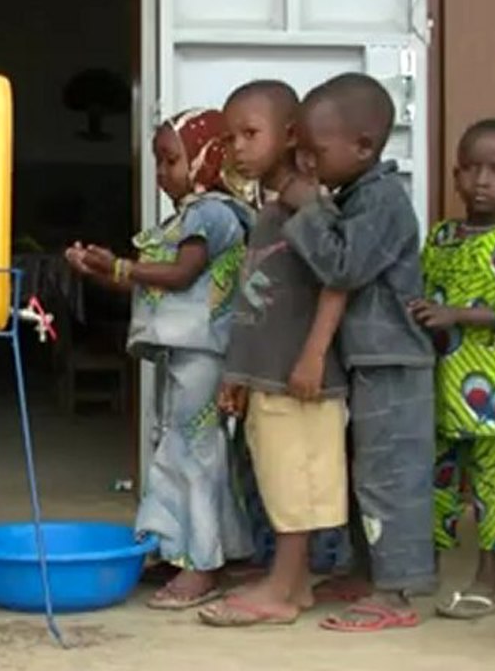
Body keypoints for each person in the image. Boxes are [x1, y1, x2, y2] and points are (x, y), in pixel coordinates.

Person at [65, 108, 254, 609]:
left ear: (206, 159)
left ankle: (201, 563)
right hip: (184, 354)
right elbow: (150, 278)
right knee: (179, 447)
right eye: (159, 162)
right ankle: (183, 548)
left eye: (171, 161)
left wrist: (121, 265)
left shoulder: (212, 213)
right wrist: (99, 270)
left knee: (192, 454)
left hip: (204, 355)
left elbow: (181, 275)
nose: (162, 173)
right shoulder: (187, 216)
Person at [281, 72, 436, 632]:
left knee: (392, 477)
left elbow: (343, 266)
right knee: (365, 473)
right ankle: (369, 573)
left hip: (394, 362)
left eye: (316, 152)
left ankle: (396, 593)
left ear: (364, 147)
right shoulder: (358, 194)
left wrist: (307, 208)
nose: (308, 164)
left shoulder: (383, 201)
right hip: (370, 361)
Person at [197, 82, 349, 627]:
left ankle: (282, 589)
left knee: (298, 483)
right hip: (267, 374)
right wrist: (238, 372)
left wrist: (313, 356)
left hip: (299, 376)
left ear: (289, 135)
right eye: (229, 136)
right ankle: (295, 583)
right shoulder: (268, 211)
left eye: (249, 133)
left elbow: (338, 277)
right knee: (280, 480)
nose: (236, 147)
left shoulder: (306, 204)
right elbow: (256, 300)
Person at [414, 119, 495, 620]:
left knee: (494, 485)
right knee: (437, 481)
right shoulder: (443, 237)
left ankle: (489, 580)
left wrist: (456, 314)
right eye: (471, 169)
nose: (483, 181)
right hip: (440, 387)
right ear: (455, 176)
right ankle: (428, 569)